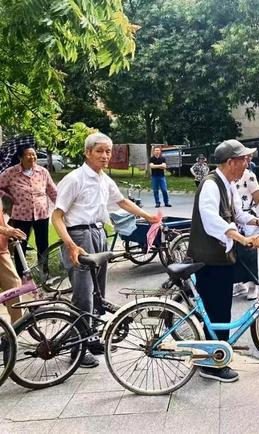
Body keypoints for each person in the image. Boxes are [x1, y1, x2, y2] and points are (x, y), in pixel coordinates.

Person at [52, 132, 160, 368]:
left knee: (97, 294)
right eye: (99, 151)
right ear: (88, 152)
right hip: (79, 236)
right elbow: (57, 217)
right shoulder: (74, 179)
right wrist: (70, 245)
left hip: (98, 233)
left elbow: (122, 202)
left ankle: (89, 338)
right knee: (83, 294)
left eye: (108, 151)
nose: (104, 156)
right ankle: (76, 350)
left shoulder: (103, 179)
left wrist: (148, 216)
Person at [187, 139, 259, 382]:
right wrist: (240, 237)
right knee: (217, 311)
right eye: (244, 159)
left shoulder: (228, 184)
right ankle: (212, 365)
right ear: (231, 162)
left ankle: (217, 353)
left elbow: (237, 214)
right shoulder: (211, 184)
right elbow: (211, 219)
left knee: (221, 309)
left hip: (222, 257)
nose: (247, 164)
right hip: (209, 258)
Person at [0, 145, 57, 277]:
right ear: (20, 157)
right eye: (28, 155)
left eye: (34, 154)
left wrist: (61, 207)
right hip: (21, 215)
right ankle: (22, 274)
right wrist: (7, 196)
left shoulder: (42, 172)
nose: (32, 157)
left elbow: (52, 191)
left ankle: (44, 272)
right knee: (20, 244)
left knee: (43, 244)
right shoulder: (10, 172)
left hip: (41, 213)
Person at [232, 156, 259, 300]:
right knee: (236, 253)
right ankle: (239, 283)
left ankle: (252, 286)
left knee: (249, 253)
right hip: (234, 218)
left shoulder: (249, 175)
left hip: (247, 217)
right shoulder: (230, 177)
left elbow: (258, 196)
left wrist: (250, 208)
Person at [0, 213, 27, 323]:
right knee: (14, 287)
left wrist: (12, 230)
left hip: (2, 251)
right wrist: (6, 231)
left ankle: (14, 331)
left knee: (14, 287)